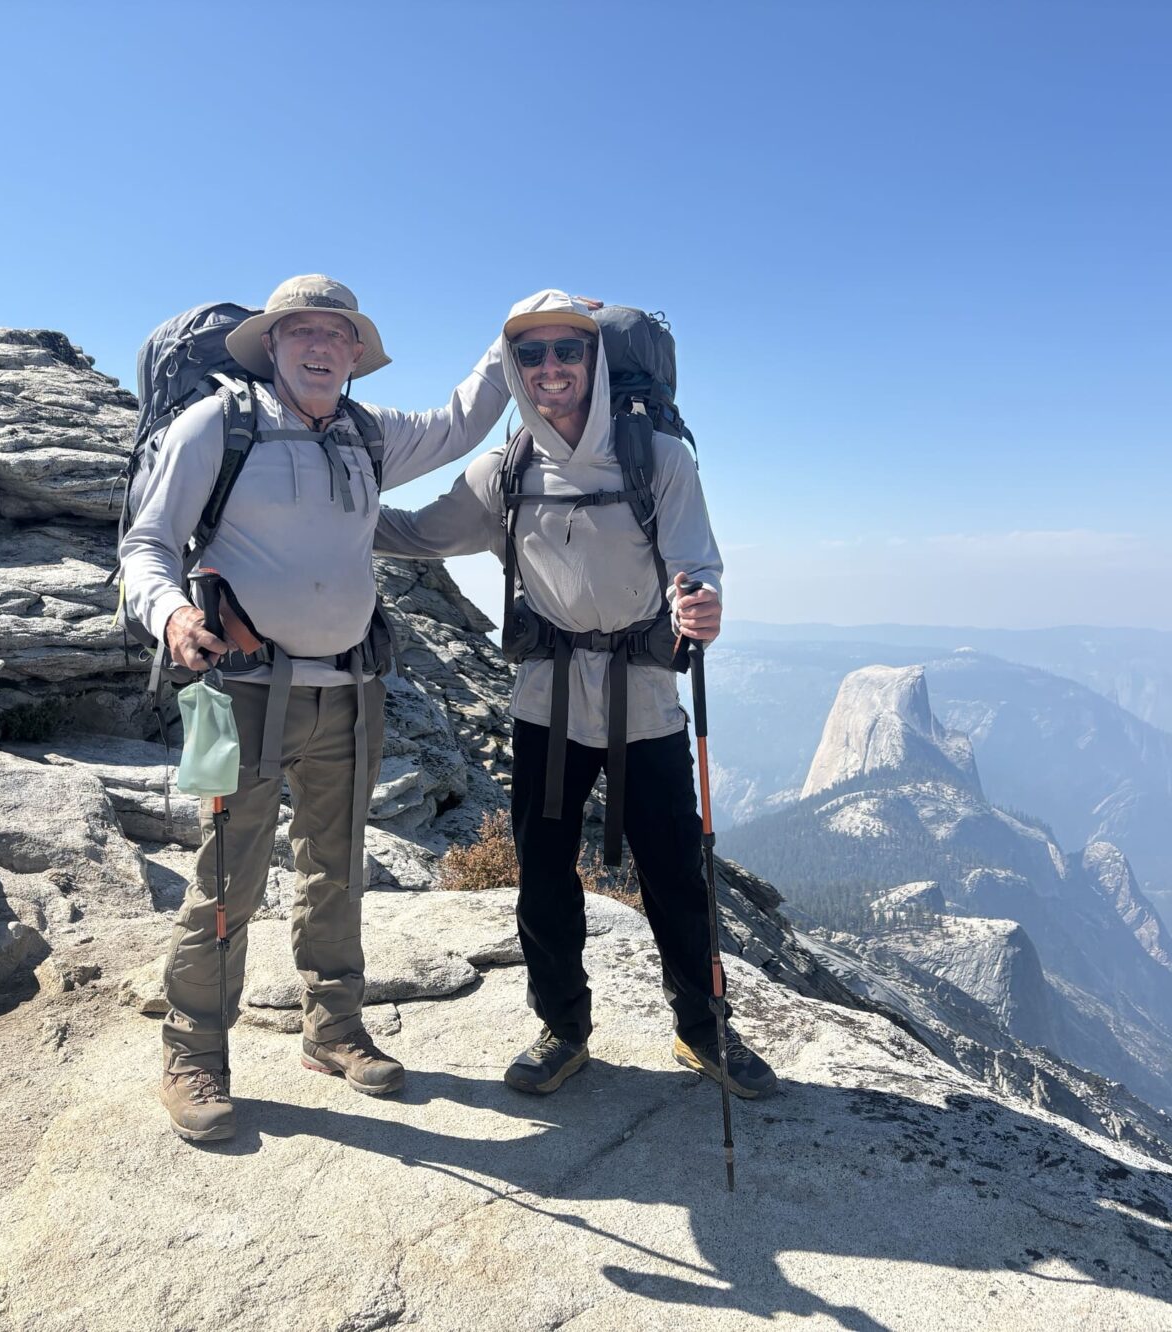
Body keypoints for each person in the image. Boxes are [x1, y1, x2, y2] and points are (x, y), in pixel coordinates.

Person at [120, 275, 509, 1141]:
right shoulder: (219, 426)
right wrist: (173, 613)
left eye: (338, 334)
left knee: (336, 864)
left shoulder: (368, 436)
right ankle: (195, 1055)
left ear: (357, 354)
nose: (322, 346)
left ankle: (333, 1028)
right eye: (302, 331)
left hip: (349, 690)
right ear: (273, 345)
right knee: (228, 874)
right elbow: (146, 544)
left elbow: (459, 422)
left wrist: (516, 336)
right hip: (235, 695)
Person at [375, 290, 778, 1099]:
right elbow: (418, 536)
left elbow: (697, 565)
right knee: (543, 874)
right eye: (532, 354)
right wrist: (325, 514)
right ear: (513, 368)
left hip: (646, 699)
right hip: (546, 704)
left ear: (594, 359)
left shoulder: (657, 455)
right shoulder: (505, 470)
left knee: (676, 874)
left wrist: (699, 604)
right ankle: (563, 1028)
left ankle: (703, 1029)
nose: (551, 368)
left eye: (569, 350)